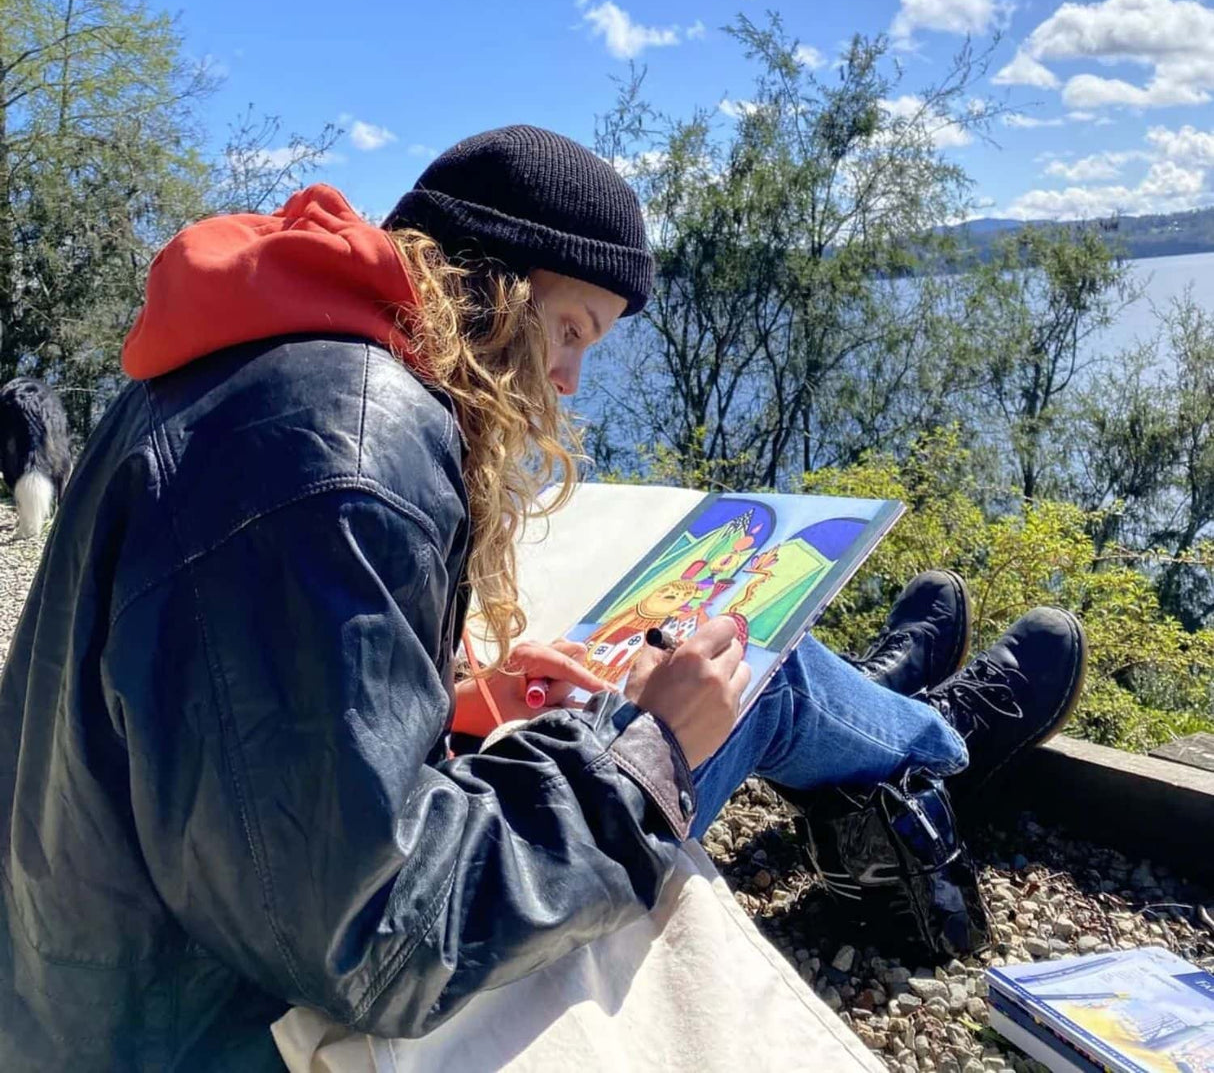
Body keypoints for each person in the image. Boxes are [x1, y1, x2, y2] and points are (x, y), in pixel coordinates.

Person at [0, 126, 1086, 1071]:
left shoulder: (259, 375)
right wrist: (649, 745)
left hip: (114, 987)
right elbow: (378, 938)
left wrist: (458, 699)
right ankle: (936, 741)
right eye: (569, 330)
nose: (567, 380)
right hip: (231, 1034)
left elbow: (231, 709)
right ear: (487, 288)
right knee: (748, 664)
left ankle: (898, 725)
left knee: (716, 665)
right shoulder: (351, 453)